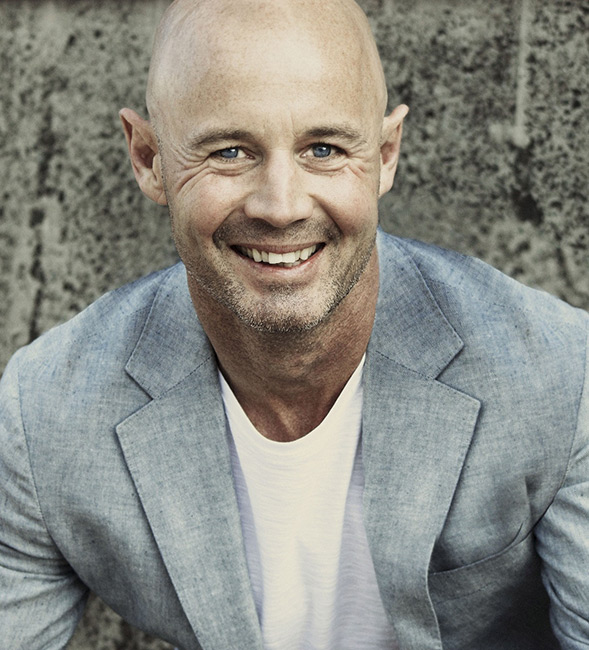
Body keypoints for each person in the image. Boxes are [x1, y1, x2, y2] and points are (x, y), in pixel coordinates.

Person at [1, 0, 588, 648]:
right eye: (229, 151)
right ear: (148, 158)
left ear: (386, 154)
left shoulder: (558, 375)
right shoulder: (45, 414)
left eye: (323, 149)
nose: (280, 206)